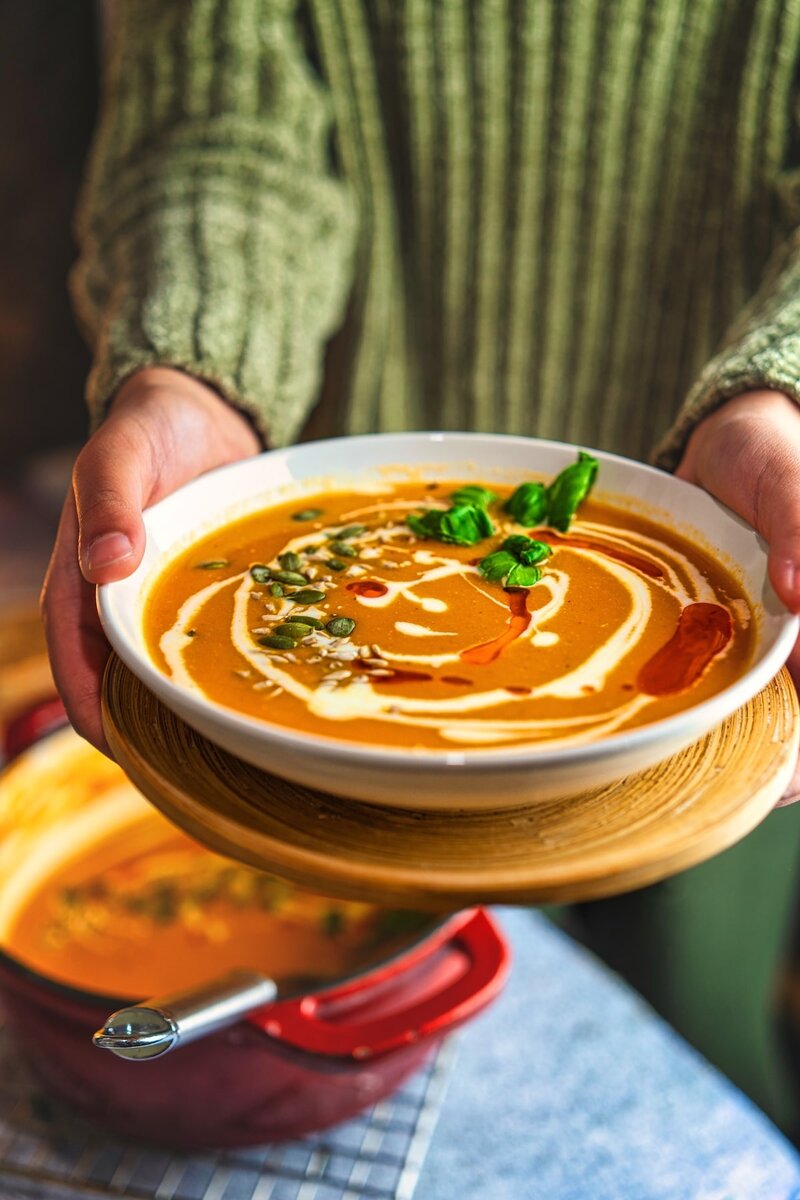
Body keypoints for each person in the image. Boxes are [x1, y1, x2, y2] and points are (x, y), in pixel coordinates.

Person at [41, 1, 800, 1130]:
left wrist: (784, 392)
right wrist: (191, 370)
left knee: (693, 1041)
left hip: (732, 570)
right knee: (383, 1028)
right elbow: (221, 122)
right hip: (313, 632)